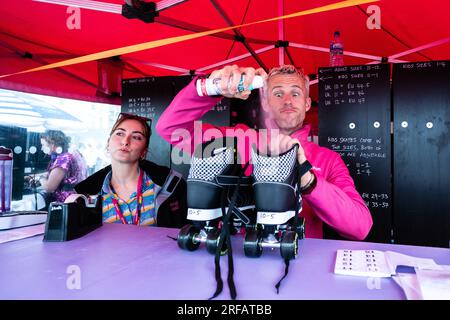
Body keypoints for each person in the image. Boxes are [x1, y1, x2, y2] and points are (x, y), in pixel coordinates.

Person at [156, 64, 373, 240]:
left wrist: (309, 180)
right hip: (235, 263)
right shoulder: (238, 139)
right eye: (277, 94)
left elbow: (360, 227)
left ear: (307, 104)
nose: (287, 100)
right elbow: (170, 129)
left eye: (295, 93)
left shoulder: (328, 159)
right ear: (266, 103)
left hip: (297, 269)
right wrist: (210, 88)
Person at [75, 112, 187, 228]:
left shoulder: (169, 186)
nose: (125, 141)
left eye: (136, 137)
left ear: (144, 152)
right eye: (120, 133)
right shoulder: (87, 194)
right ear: (108, 143)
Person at [39, 130, 87, 203]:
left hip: (67, 201)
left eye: (43, 145)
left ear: (52, 144)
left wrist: (41, 178)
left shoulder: (63, 158)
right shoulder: (73, 154)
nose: (42, 148)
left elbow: (49, 187)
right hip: (76, 199)